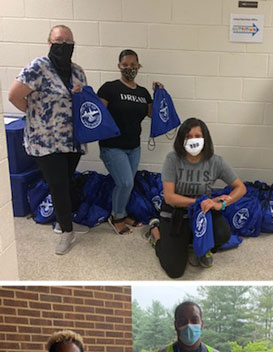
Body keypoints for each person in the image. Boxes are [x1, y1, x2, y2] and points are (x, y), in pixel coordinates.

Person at [8, 25, 88, 255]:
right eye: (59, 41)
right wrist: (38, 116)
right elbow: (14, 95)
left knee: (67, 180)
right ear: (49, 42)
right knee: (58, 184)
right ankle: (66, 232)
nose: (64, 46)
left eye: (68, 42)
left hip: (72, 139)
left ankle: (63, 222)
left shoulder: (78, 71)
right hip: (46, 141)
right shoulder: (38, 67)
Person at [146, 118, 247, 277]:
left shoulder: (215, 161)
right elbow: (170, 197)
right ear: (181, 140)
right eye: (188, 136)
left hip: (201, 213)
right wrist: (199, 202)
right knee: (174, 270)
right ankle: (155, 232)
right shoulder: (172, 159)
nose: (193, 140)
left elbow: (241, 188)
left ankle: (197, 245)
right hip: (176, 212)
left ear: (205, 138)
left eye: (197, 135)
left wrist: (220, 205)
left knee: (223, 233)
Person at [97, 49, 163, 234]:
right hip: (112, 146)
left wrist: (158, 93)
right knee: (125, 183)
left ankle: (123, 213)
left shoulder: (142, 93)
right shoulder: (109, 88)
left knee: (128, 183)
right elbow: (97, 115)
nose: (129, 68)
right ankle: (116, 217)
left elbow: (152, 114)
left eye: (133, 65)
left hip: (134, 147)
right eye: (125, 65)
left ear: (139, 66)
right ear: (119, 66)